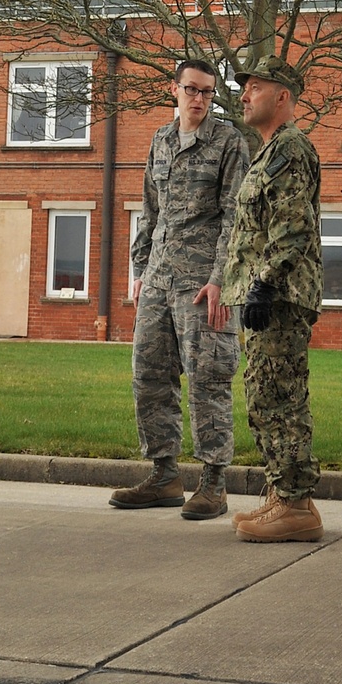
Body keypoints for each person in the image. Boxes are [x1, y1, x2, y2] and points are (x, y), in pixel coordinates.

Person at [109, 58, 250, 519]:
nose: (199, 99)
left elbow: (236, 218)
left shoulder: (228, 141)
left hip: (202, 283)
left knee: (208, 377)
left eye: (208, 92)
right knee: (149, 374)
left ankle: (213, 483)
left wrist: (219, 282)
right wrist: (139, 269)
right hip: (159, 280)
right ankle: (164, 475)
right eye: (191, 89)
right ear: (175, 89)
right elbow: (150, 210)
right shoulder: (161, 141)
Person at [221, 55, 323, 542]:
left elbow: (292, 225)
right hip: (265, 294)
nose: (244, 95)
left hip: (279, 295)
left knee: (280, 398)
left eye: (254, 87)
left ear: (282, 96)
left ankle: (297, 505)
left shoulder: (290, 148)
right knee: (264, 396)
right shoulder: (267, 151)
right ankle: (281, 496)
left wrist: (263, 283)